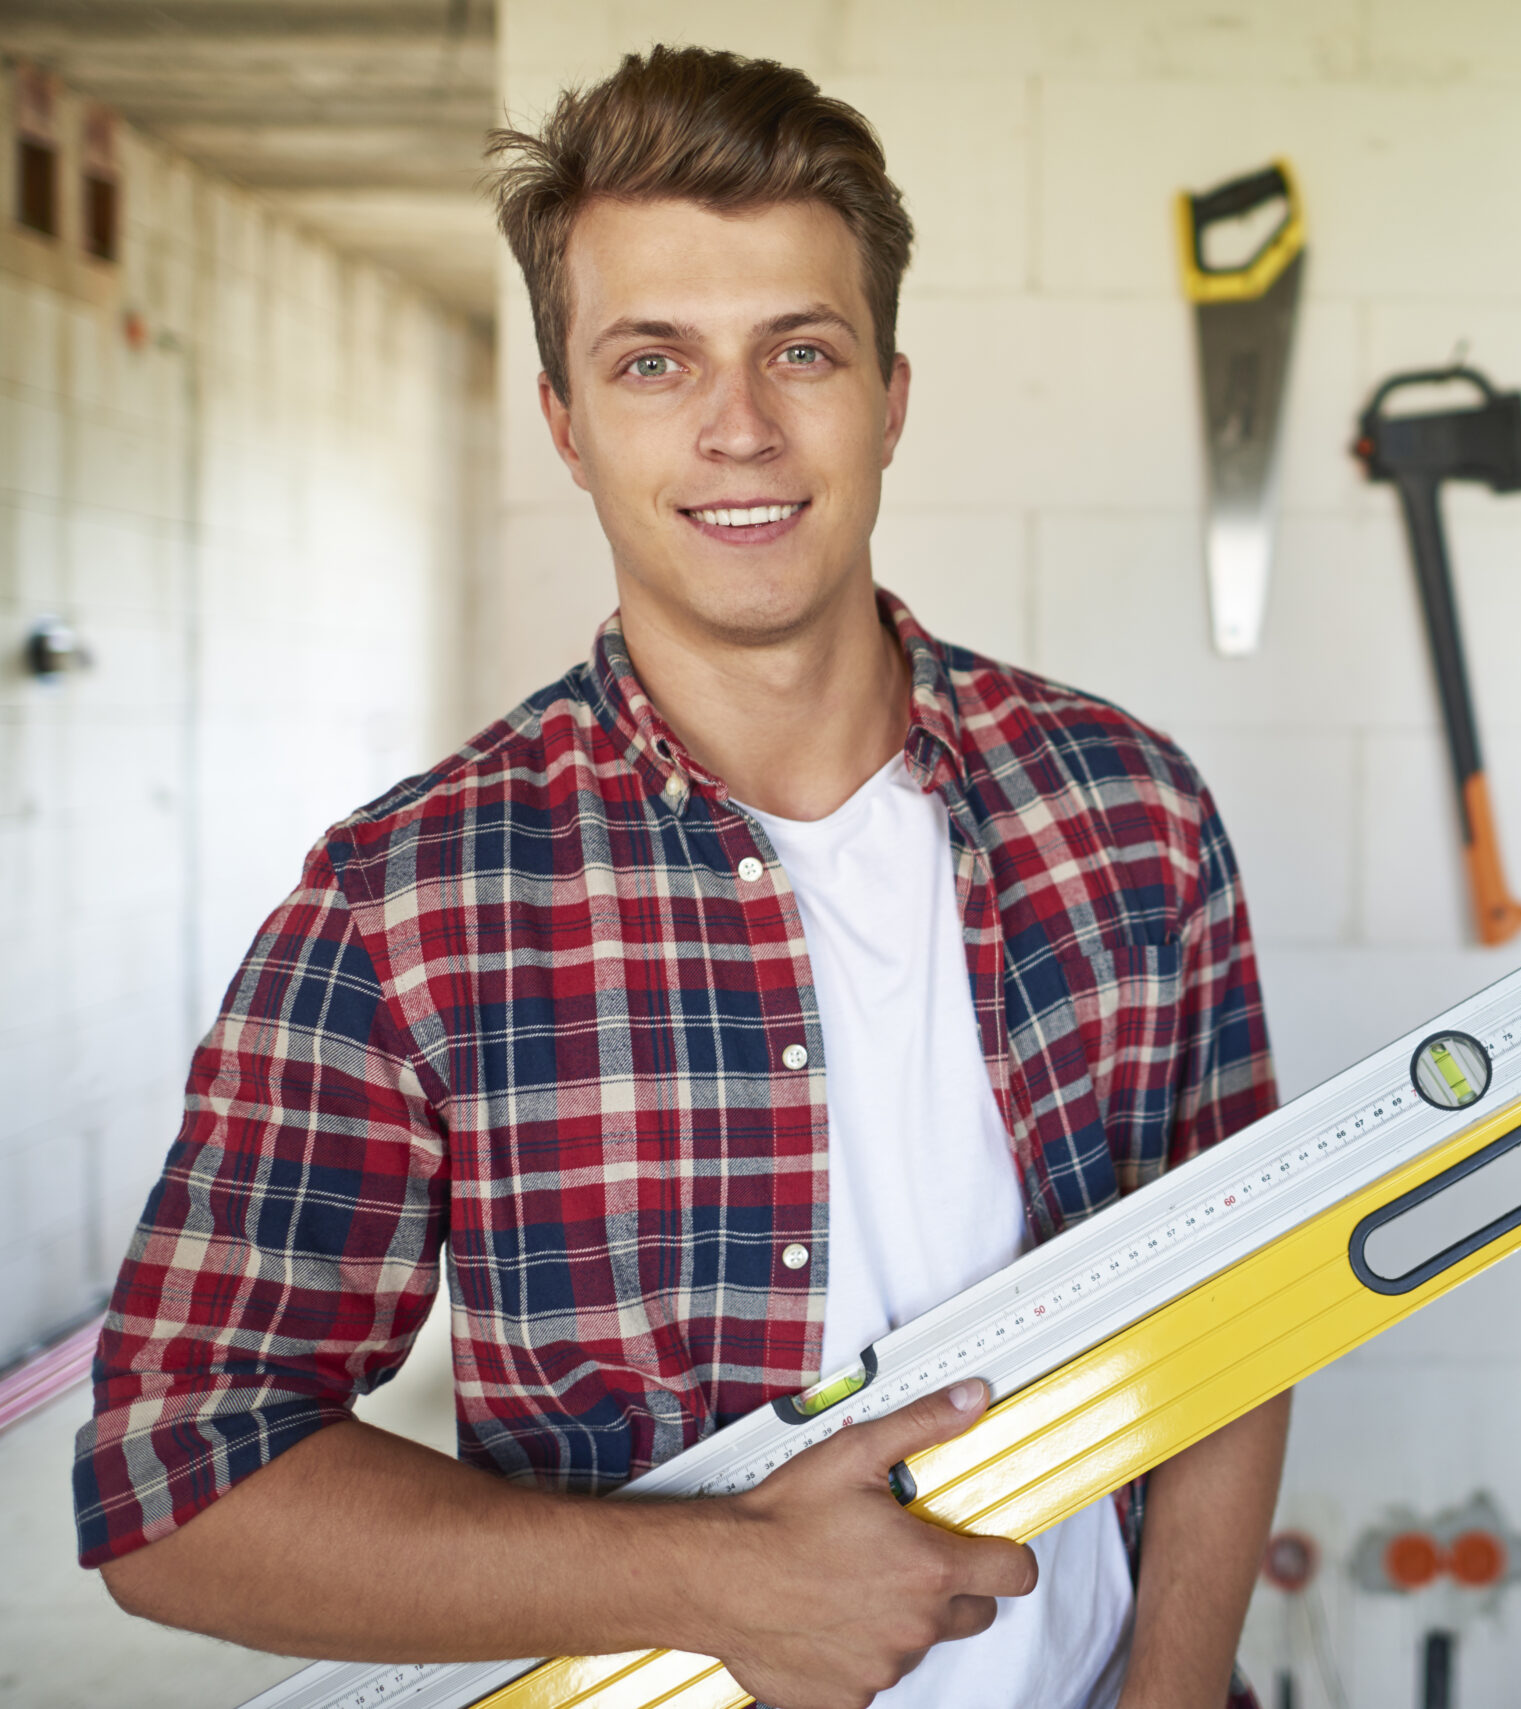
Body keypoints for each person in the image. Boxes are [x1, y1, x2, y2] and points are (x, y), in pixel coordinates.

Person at [75, 45, 1289, 1709]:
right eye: (655, 363)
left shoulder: (1128, 812)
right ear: (568, 424)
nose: (740, 427)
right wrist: (721, 1580)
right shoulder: (410, 902)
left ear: (890, 395)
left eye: (802, 349)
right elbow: (178, 1489)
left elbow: (1241, 1301)